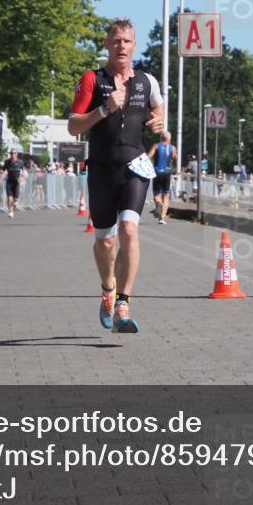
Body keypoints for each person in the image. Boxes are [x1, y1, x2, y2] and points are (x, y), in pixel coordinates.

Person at [68, 18, 164, 333]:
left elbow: (159, 109)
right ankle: (108, 289)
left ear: (134, 46)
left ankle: (124, 302)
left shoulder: (147, 81)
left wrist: (158, 122)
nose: (121, 46)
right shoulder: (92, 80)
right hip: (100, 170)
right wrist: (103, 109)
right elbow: (73, 127)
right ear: (107, 44)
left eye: (127, 41)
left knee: (129, 230)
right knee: (105, 242)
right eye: (116, 40)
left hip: (134, 167)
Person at [147, 132, 176, 224]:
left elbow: (148, 157)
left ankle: (158, 203)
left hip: (157, 171)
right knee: (166, 195)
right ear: (169, 139)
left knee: (156, 195)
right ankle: (162, 218)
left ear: (161, 138)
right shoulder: (173, 148)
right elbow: (175, 158)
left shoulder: (156, 146)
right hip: (167, 172)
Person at [0, 148, 26, 217]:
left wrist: (21, 177)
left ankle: (14, 203)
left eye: (14, 153)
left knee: (16, 198)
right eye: (11, 153)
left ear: (17, 154)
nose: (12, 155)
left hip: (16, 182)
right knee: (9, 198)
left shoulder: (20, 162)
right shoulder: (7, 162)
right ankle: (10, 211)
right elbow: (2, 169)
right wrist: (1, 171)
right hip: (9, 182)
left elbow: (22, 171)